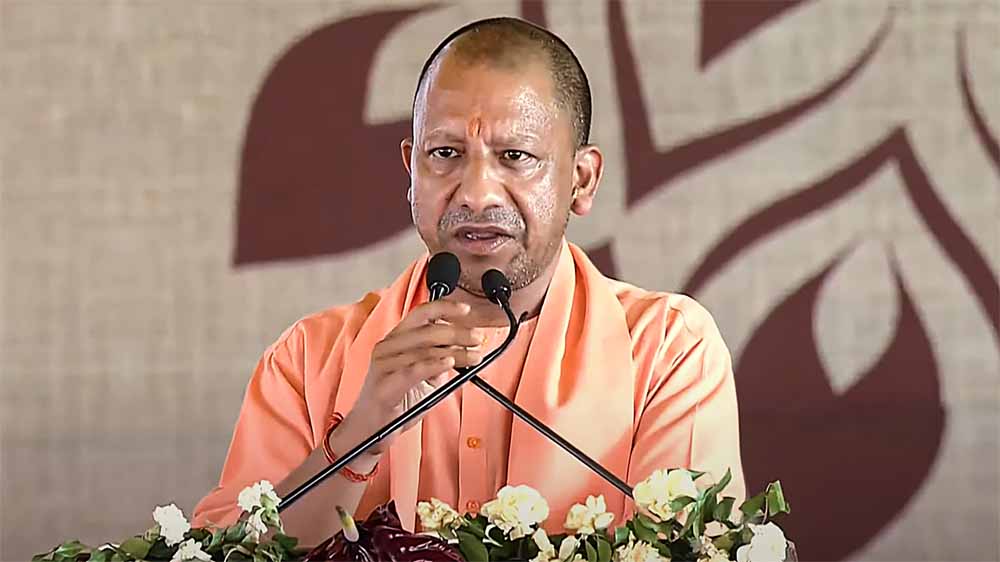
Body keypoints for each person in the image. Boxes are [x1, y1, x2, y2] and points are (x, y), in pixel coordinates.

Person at [192, 16, 745, 546]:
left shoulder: (667, 351)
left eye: (515, 156)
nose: (477, 194)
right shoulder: (308, 360)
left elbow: (695, 547)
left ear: (582, 179)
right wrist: (358, 437)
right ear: (411, 172)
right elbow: (224, 551)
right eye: (446, 154)